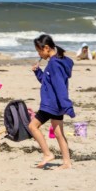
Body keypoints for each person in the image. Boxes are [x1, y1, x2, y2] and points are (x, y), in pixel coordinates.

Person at [30, 34, 75, 170]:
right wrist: (38, 72)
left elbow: (60, 86)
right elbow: (47, 81)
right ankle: (67, 162)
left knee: (32, 127)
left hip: (51, 104)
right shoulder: (57, 62)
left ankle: (47, 154)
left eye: (39, 51)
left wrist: (67, 105)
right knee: (58, 133)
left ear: (46, 48)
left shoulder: (54, 64)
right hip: (56, 104)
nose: (39, 54)